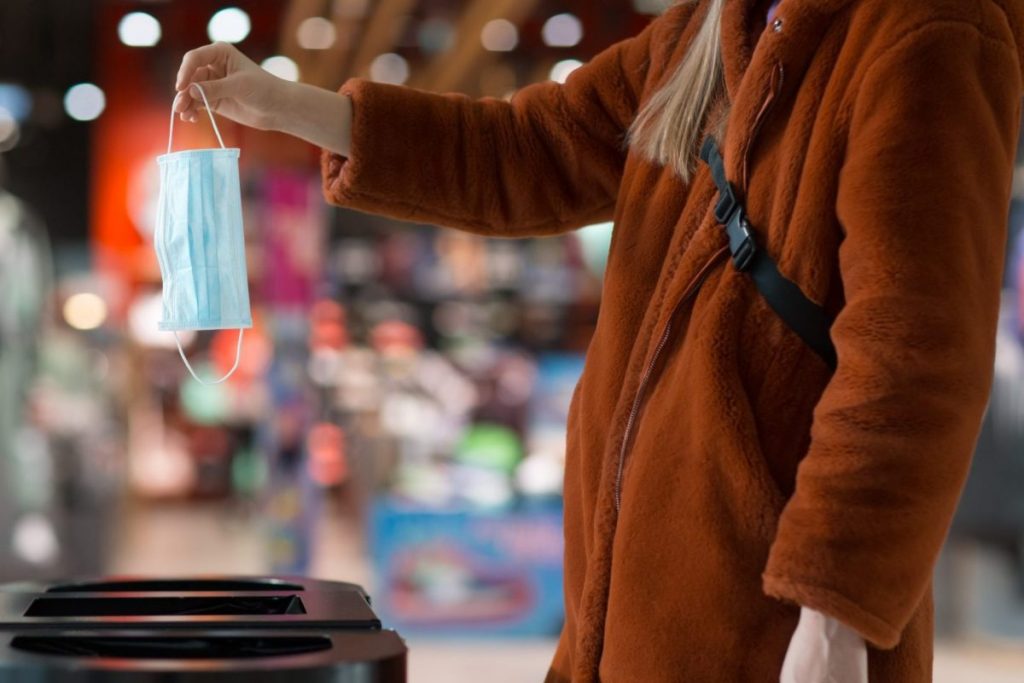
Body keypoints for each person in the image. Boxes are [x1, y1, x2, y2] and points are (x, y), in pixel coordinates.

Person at [173, 0, 1024, 680]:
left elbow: (912, 364)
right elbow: (525, 149)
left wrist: (836, 616)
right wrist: (280, 105)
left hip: (770, 619)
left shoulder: (930, 31)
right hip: (628, 606)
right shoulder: (705, 30)